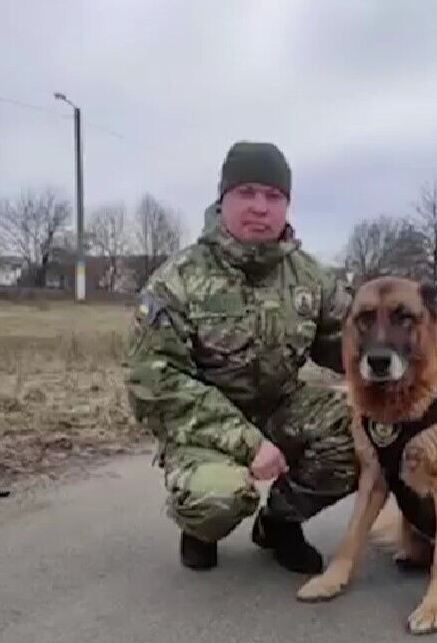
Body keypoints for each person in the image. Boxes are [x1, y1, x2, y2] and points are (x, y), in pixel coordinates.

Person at [125, 141, 358, 575]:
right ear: (223, 198)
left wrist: (430, 370)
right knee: (219, 498)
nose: (260, 207)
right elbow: (153, 383)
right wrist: (248, 443)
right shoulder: (178, 280)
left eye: (273, 197)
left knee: (361, 441)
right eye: (246, 193)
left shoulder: (312, 278)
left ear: (286, 205)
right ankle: (201, 530)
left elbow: (352, 346)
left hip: (280, 406)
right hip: (205, 426)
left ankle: (280, 524)